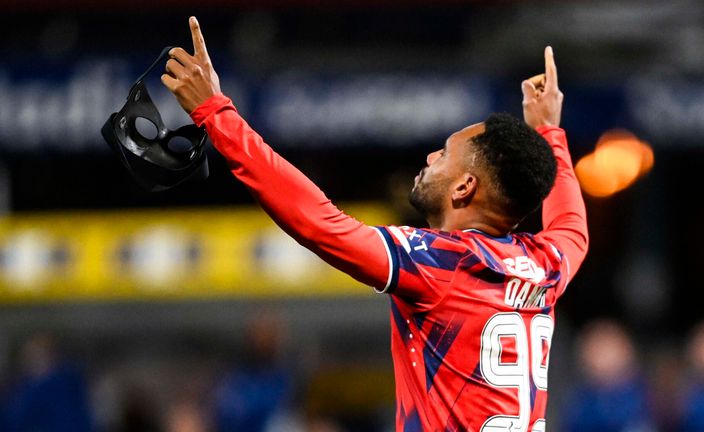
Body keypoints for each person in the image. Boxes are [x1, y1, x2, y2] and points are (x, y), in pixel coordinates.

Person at [161, 17, 588, 431]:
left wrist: (216, 113)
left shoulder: (440, 264)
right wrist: (548, 131)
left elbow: (317, 221)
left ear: (464, 188)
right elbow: (571, 228)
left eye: (442, 155)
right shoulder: (546, 264)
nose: (429, 160)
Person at [562, 320, 657, 432]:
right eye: (595, 349)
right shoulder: (581, 401)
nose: (600, 357)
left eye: (605, 348)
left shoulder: (650, 394)